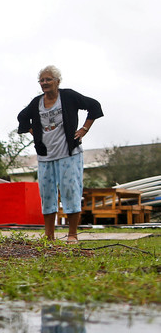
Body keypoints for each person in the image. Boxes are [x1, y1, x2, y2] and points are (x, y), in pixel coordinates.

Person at [17, 65, 103, 242]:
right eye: (42, 80)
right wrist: (35, 132)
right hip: (45, 155)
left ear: (57, 81)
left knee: (70, 191)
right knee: (47, 194)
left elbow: (93, 105)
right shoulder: (37, 102)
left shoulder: (69, 96)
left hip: (68, 153)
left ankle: (72, 234)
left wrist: (84, 129)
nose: (45, 83)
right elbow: (22, 117)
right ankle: (49, 236)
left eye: (48, 79)